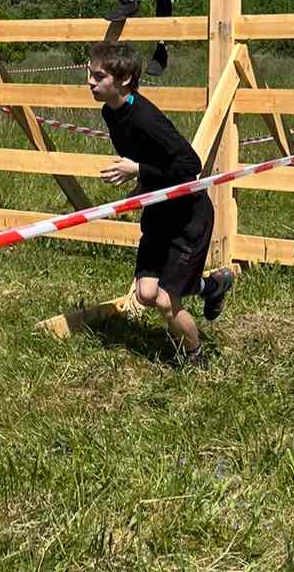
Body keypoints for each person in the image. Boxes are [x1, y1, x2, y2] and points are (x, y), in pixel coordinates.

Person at [86, 41, 234, 363]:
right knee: (146, 293)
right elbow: (151, 158)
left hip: (188, 216)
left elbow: (190, 165)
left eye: (98, 76)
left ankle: (197, 357)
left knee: (167, 301)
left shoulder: (145, 118)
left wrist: (137, 169)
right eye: (90, 73)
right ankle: (211, 287)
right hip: (159, 210)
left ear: (123, 80)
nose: (90, 82)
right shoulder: (111, 113)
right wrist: (142, 181)